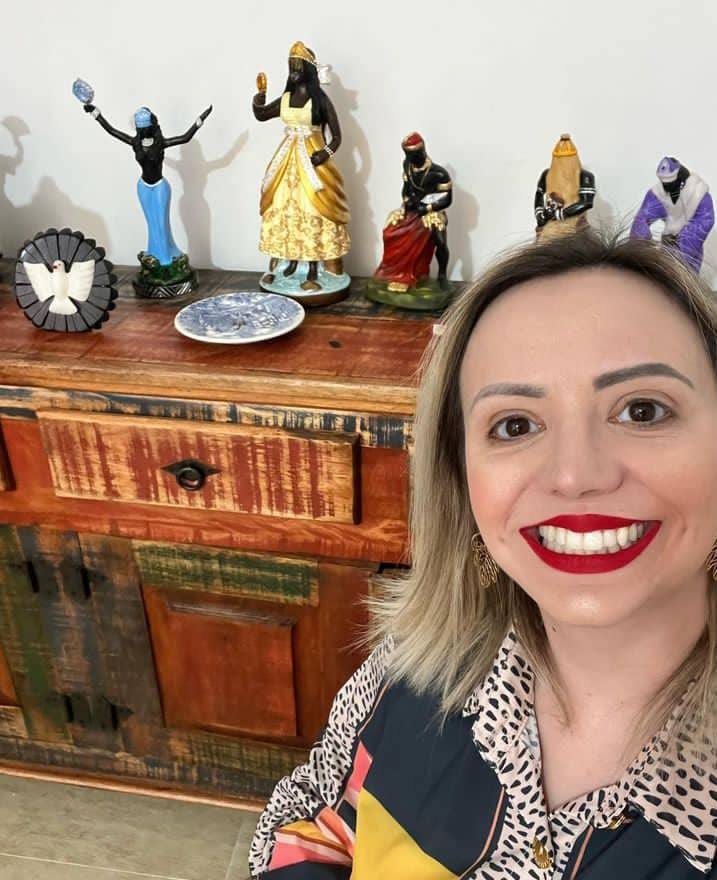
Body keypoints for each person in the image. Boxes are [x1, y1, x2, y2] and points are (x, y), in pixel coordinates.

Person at [248, 230, 717, 879]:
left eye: (642, 410)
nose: (575, 475)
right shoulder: (415, 664)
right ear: (462, 478)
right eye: (515, 424)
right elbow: (316, 813)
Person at [81, 98, 212, 295]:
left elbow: (185, 138)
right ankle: (154, 256)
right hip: (143, 186)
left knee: (161, 223)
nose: (142, 131)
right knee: (151, 223)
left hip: (159, 187)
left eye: (145, 127)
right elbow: (112, 131)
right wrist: (95, 113)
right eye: (140, 127)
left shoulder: (160, 143)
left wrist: (200, 120)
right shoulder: (135, 143)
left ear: (151, 125)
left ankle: (166, 259)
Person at [252, 41, 350, 293]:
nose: (294, 72)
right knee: (282, 205)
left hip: (312, 159)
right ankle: (288, 262)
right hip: (287, 159)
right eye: (291, 67)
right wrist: (260, 95)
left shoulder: (320, 101)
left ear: (308, 70)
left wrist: (324, 153)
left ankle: (315, 265)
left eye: (298, 67)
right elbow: (262, 114)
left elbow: (337, 137)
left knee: (313, 207)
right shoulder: (286, 99)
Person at [372, 131, 453, 291]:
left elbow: (447, 199)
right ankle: (397, 273)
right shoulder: (408, 165)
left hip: (432, 211)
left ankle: (442, 275)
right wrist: (406, 201)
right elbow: (406, 188)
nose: (410, 158)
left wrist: (427, 208)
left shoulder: (439, 173)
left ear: (422, 151)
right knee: (391, 231)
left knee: (440, 242)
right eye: (408, 155)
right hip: (413, 209)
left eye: (414, 155)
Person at [631, 156, 715, 273]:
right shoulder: (658, 193)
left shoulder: (698, 194)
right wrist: (639, 245)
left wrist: (683, 246)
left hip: (688, 249)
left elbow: (705, 220)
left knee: (685, 276)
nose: (667, 187)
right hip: (667, 245)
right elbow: (643, 216)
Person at [534, 134, 596, 239]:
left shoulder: (585, 176)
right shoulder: (547, 174)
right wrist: (539, 214)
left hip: (573, 224)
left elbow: (586, 203)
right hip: (549, 224)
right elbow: (539, 193)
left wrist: (561, 213)